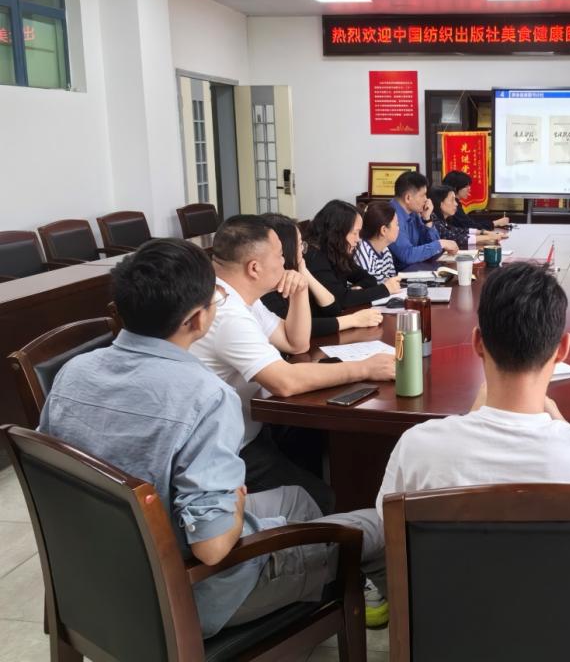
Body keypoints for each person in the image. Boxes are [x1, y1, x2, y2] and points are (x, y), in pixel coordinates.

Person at [38, 239, 389, 637]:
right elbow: (213, 547)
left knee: (299, 499)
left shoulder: (73, 372)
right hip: (191, 593)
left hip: (96, 575)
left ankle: (321, 584)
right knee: (379, 528)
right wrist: (234, 502)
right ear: (197, 319)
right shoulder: (206, 396)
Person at [376, 262, 570, 516]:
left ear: (477, 342)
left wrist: (470, 417)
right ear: (563, 349)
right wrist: (565, 427)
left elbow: (388, 524)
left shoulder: (418, 448)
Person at [190, 215, 396, 516]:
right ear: (254, 268)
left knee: (315, 447)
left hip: (253, 427)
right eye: (279, 255)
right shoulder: (226, 312)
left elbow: (295, 343)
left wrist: (300, 292)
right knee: (321, 498)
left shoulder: (239, 295)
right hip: (228, 451)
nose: (286, 261)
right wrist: (365, 368)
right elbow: (284, 382)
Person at [262, 212, 383, 336]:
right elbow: (295, 329)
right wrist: (353, 320)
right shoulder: (265, 289)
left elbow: (333, 309)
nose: (304, 251)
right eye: (300, 244)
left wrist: (304, 272)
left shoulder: (295, 272)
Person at [304, 200, 401, 312]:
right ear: (338, 232)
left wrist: (356, 291)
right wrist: (385, 289)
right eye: (355, 233)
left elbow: (369, 279)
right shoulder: (314, 257)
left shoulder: (336, 251)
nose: (358, 239)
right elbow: (340, 300)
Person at [389, 170, 459, 270]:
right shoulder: (391, 215)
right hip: (401, 275)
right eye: (423, 195)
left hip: (418, 268)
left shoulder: (414, 213)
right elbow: (407, 255)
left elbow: (433, 251)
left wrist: (427, 219)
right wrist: (441, 244)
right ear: (408, 198)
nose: (426, 199)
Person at [427, 184, 506, 250]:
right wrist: (488, 237)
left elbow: (458, 231)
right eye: (452, 200)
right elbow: (454, 238)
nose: (456, 204)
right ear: (440, 203)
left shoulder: (442, 220)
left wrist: (485, 233)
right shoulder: (432, 220)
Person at [442, 169, 511, 229]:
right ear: (455, 187)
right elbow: (470, 226)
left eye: (469, 186)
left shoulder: (456, 203)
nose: (469, 189)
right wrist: (496, 223)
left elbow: (470, 224)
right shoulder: (451, 205)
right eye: (466, 186)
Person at [355, 202, 400, 281]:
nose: (398, 228)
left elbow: (392, 281)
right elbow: (369, 286)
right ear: (384, 230)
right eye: (397, 224)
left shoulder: (385, 250)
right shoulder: (363, 252)